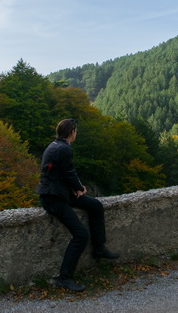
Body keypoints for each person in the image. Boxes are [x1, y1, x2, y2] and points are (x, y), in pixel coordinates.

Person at [37, 118, 120, 292]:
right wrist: (79, 188)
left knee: (95, 206)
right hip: (54, 198)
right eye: (76, 131)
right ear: (72, 132)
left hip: (59, 192)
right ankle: (64, 278)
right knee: (81, 235)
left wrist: (75, 189)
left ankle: (99, 248)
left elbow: (62, 173)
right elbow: (69, 173)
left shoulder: (54, 145)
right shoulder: (64, 149)